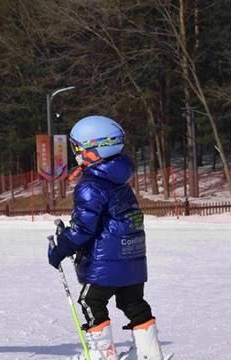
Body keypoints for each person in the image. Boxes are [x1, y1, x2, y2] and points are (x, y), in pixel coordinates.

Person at [47, 116, 167, 360]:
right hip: (132, 257)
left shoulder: (91, 185)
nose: (76, 154)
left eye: (78, 148)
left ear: (95, 149)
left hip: (106, 260)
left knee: (90, 301)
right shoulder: (118, 179)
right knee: (132, 302)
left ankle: (102, 354)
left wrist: (60, 247)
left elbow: (83, 229)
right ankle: (149, 352)